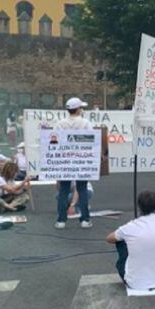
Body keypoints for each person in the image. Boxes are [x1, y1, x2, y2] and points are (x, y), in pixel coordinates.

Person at [106, 190, 155, 290]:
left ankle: (135, 265)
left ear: (139, 207)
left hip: (135, 283)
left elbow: (109, 238)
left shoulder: (131, 226)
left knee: (120, 240)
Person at [54, 98, 93, 229]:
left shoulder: (60, 124)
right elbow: (92, 139)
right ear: (78, 109)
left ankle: (61, 220)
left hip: (65, 159)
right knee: (82, 189)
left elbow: (55, 141)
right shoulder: (85, 123)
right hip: (81, 159)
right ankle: (85, 220)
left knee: (63, 190)